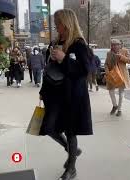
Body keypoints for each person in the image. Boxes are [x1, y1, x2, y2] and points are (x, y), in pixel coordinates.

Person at [39, 9, 93, 180]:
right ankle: (73, 151)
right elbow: (49, 69)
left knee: (71, 131)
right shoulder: (55, 42)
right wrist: (42, 90)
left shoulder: (78, 44)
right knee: (48, 128)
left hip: (72, 96)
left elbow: (86, 70)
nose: (56, 25)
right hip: (54, 94)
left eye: (58, 22)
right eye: (55, 22)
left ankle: (71, 167)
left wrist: (65, 58)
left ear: (67, 23)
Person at [105, 39, 130, 117]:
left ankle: (119, 109)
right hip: (112, 75)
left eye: (115, 45)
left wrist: (121, 57)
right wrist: (107, 71)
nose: (113, 46)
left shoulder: (125, 51)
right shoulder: (109, 53)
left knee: (121, 92)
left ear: (119, 45)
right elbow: (106, 64)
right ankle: (115, 105)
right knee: (111, 91)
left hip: (122, 75)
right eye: (112, 45)